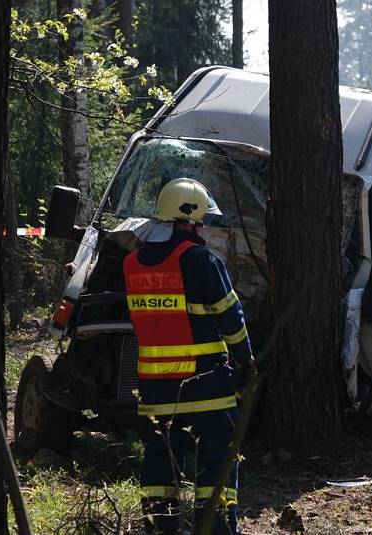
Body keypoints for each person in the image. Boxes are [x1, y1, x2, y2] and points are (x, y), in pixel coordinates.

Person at [124, 177, 256, 534]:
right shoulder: (201, 261)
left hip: (156, 392)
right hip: (207, 384)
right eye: (202, 222)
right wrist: (245, 361)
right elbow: (231, 318)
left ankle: (159, 527)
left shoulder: (133, 266)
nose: (204, 229)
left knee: (159, 468)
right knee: (217, 462)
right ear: (187, 220)